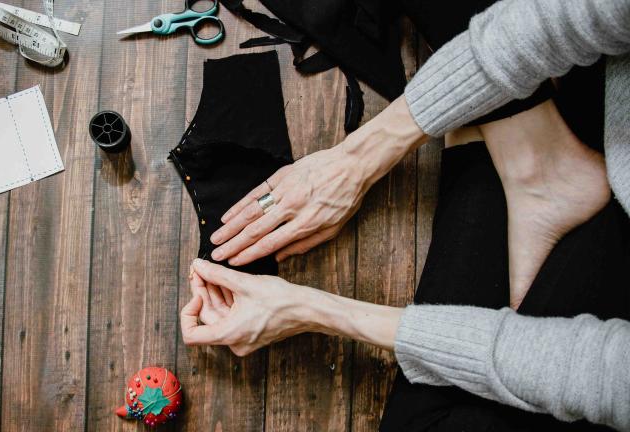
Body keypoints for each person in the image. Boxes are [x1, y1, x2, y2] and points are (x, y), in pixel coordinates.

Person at [180, 0, 630, 430]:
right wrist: (355, 160)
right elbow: (550, 22)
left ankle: (517, 144)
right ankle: (528, 154)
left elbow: (593, 374)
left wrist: (309, 309)